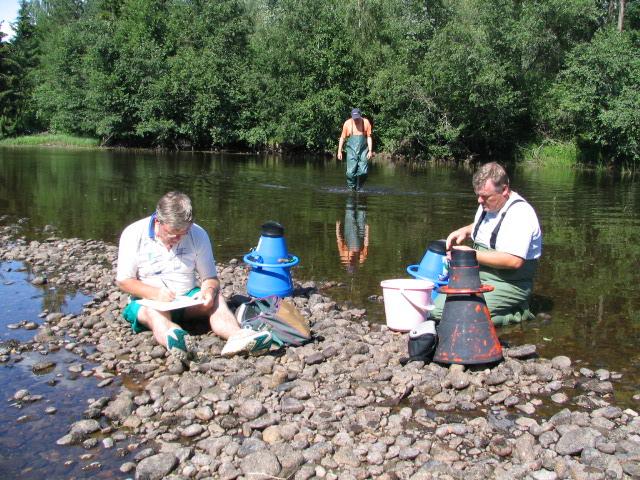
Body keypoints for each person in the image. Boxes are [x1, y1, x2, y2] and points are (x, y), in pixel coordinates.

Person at [116, 191, 272, 362]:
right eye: (173, 233)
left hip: (187, 300)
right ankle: (175, 339)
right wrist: (154, 293)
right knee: (155, 313)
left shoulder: (198, 234)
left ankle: (238, 337)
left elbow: (210, 278)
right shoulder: (133, 234)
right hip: (147, 302)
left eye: (184, 232)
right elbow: (124, 281)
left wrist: (208, 290)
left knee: (216, 299)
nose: (179, 237)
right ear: (158, 221)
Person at [431, 162, 542, 325]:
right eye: (478, 195)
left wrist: (469, 254)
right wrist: (466, 230)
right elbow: (488, 227)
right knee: (433, 309)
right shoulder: (488, 204)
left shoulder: (521, 214)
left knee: (452, 314)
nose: (479, 200)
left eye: (485, 196)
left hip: (509, 283)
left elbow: (514, 261)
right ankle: (484, 313)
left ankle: (516, 313)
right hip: (478, 276)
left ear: (504, 190)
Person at [337, 108, 373, 191]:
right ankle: (352, 188)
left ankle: (359, 186)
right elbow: (342, 138)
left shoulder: (366, 122)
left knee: (364, 172)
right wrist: (339, 151)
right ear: (351, 116)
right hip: (351, 150)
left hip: (363, 150)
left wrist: (370, 151)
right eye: (354, 118)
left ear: (360, 115)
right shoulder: (347, 123)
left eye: (357, 117)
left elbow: (369, 137)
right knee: (350, 173)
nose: (356, 119)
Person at [336, 196, 369, 272]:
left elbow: (339, 241)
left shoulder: (344, 256)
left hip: (349, 231)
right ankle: (362, 197)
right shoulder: (361, 258)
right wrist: (367, 230)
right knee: (362, 211)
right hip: (361, 233)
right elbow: (366, 243)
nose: (352, 261)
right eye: (352, 263)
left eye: (351, 263)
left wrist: (337, 228)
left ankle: (350, 195)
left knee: (350, 210)